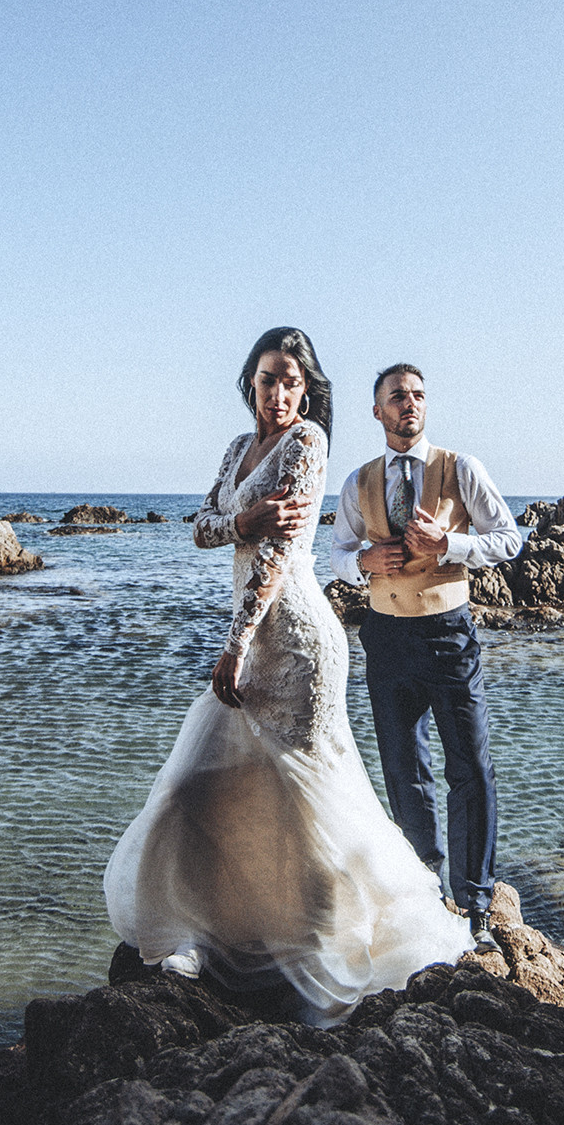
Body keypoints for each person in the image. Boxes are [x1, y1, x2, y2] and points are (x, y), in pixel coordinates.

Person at [104, 328, 471, 1025]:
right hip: (249, 643)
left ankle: (327, 942)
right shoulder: (238, 451)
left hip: (294, 642)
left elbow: (274, 555)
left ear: (307, 391)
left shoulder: (308, 444)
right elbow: (203, 527)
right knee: (199, 781)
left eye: (291, 382)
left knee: (310, 795)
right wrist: (241, 513)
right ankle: (195, 935)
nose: (279, 393)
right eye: (269, 379)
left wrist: (236, 643)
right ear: (251, 381)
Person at [329, 364, 523, 951]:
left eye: (417, 395)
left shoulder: (461, 469)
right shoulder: (358, 482)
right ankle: (422, 890)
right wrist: (364, 564)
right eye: (397, 397)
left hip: (447, 631)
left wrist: (451, 544)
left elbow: (510, 539)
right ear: (377, 411)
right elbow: (335, 551)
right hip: (384, 637)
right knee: (404, 772)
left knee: (470, 767)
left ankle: (475, 903)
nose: (409, 404)